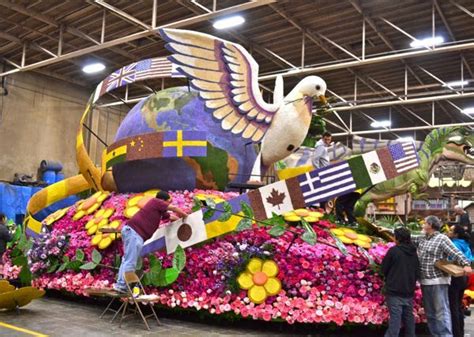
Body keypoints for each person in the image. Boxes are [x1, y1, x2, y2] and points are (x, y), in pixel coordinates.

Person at [113, 191, 188, 293]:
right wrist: (186, 216)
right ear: (163, 200)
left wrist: (180, 220)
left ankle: (120, 284)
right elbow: (174, 208)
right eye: (167, 202)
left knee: (127, 259)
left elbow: (171, 216)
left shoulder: (158, 210)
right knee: (130, 261)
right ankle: (122, 285)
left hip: (133, 233)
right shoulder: (155, 201)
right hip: (134, 233)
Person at [412, 215, 472, 337]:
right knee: (430, 313)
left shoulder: (442, 239)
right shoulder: (423, 238)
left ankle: (445, 335)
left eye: (425, 223)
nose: (423, 226)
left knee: (441, 312)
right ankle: (435, 334)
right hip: (425, 281)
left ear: (431, 225)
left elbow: (455, 253)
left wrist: (466, 264)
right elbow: (408, 237)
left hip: (438, 281)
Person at [382, 227, 420, 337]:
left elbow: (384, 269)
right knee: (408, 317)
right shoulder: (413, 252)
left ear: (398, 238)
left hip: (394, 290)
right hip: (409, 290)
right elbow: (417, 271)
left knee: (395, 320)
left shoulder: (394, 251)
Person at [447, 225, 473, 337]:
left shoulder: (454, 244)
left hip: (455, 277)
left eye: (451, 230)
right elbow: (470, 259)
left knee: (453, 307)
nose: (449, 231)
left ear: (456, 234)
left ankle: (455, 333)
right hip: (464, 277)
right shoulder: (465, 243)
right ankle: (460, 332)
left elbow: (450, 259)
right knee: (458, 306)